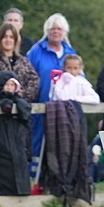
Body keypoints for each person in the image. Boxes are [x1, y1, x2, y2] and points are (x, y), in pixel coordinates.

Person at [26, 13, 78, 174]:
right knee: (38, 141)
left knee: (62, 142)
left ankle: (60, 177)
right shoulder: (36, 52)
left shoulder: (70, 53)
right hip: (40, 106)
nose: (56, 31)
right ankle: (36, 176)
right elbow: (26, 75)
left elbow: (79, 77)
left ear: (65, 32)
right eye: (52, 28)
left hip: (65, 108)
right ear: (47, 31)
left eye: (59, 28)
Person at [0, 70, 34, 195]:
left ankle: (22, 192)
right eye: (7, 84)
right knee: (3, 165)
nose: (9, 88)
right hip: (1, 137)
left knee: (19, 163)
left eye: (12, 85)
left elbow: (26, 116)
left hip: (17, 139)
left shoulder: (20, 100)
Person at [0, 23, 39, 101]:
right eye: (5, 37)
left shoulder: (23, 61)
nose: (8, 40)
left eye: (11, 37)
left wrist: (23, 94)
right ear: (0, 39)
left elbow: (34, 80)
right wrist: (6, 94)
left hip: (19, 108)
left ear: (15, 40)